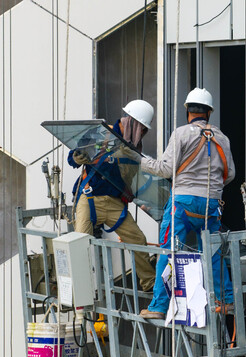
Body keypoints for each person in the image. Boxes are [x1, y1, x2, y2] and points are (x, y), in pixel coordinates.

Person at [128, 88, 235, 320]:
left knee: (169, 251)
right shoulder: (223, 138)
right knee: (214, 251)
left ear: (188, 110)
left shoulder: (182, 134)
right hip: (211, 205)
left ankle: (158, 306)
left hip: (183, 203)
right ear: (209, 112)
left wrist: (137, 158)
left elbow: (164, 169)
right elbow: (230, 174)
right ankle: (225, 301)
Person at [68, 99, 156, 292]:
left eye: (144, 130)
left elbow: (131, 177)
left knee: (137, 239)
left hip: (115, 203)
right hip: (90, 197)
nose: (142, 133)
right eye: (141, 128)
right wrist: (77, 156)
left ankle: (149, 283)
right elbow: (72, 157)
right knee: (79, 241)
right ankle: (76, 289)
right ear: (131, 121)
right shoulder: (101, 132)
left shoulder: (134, 147)